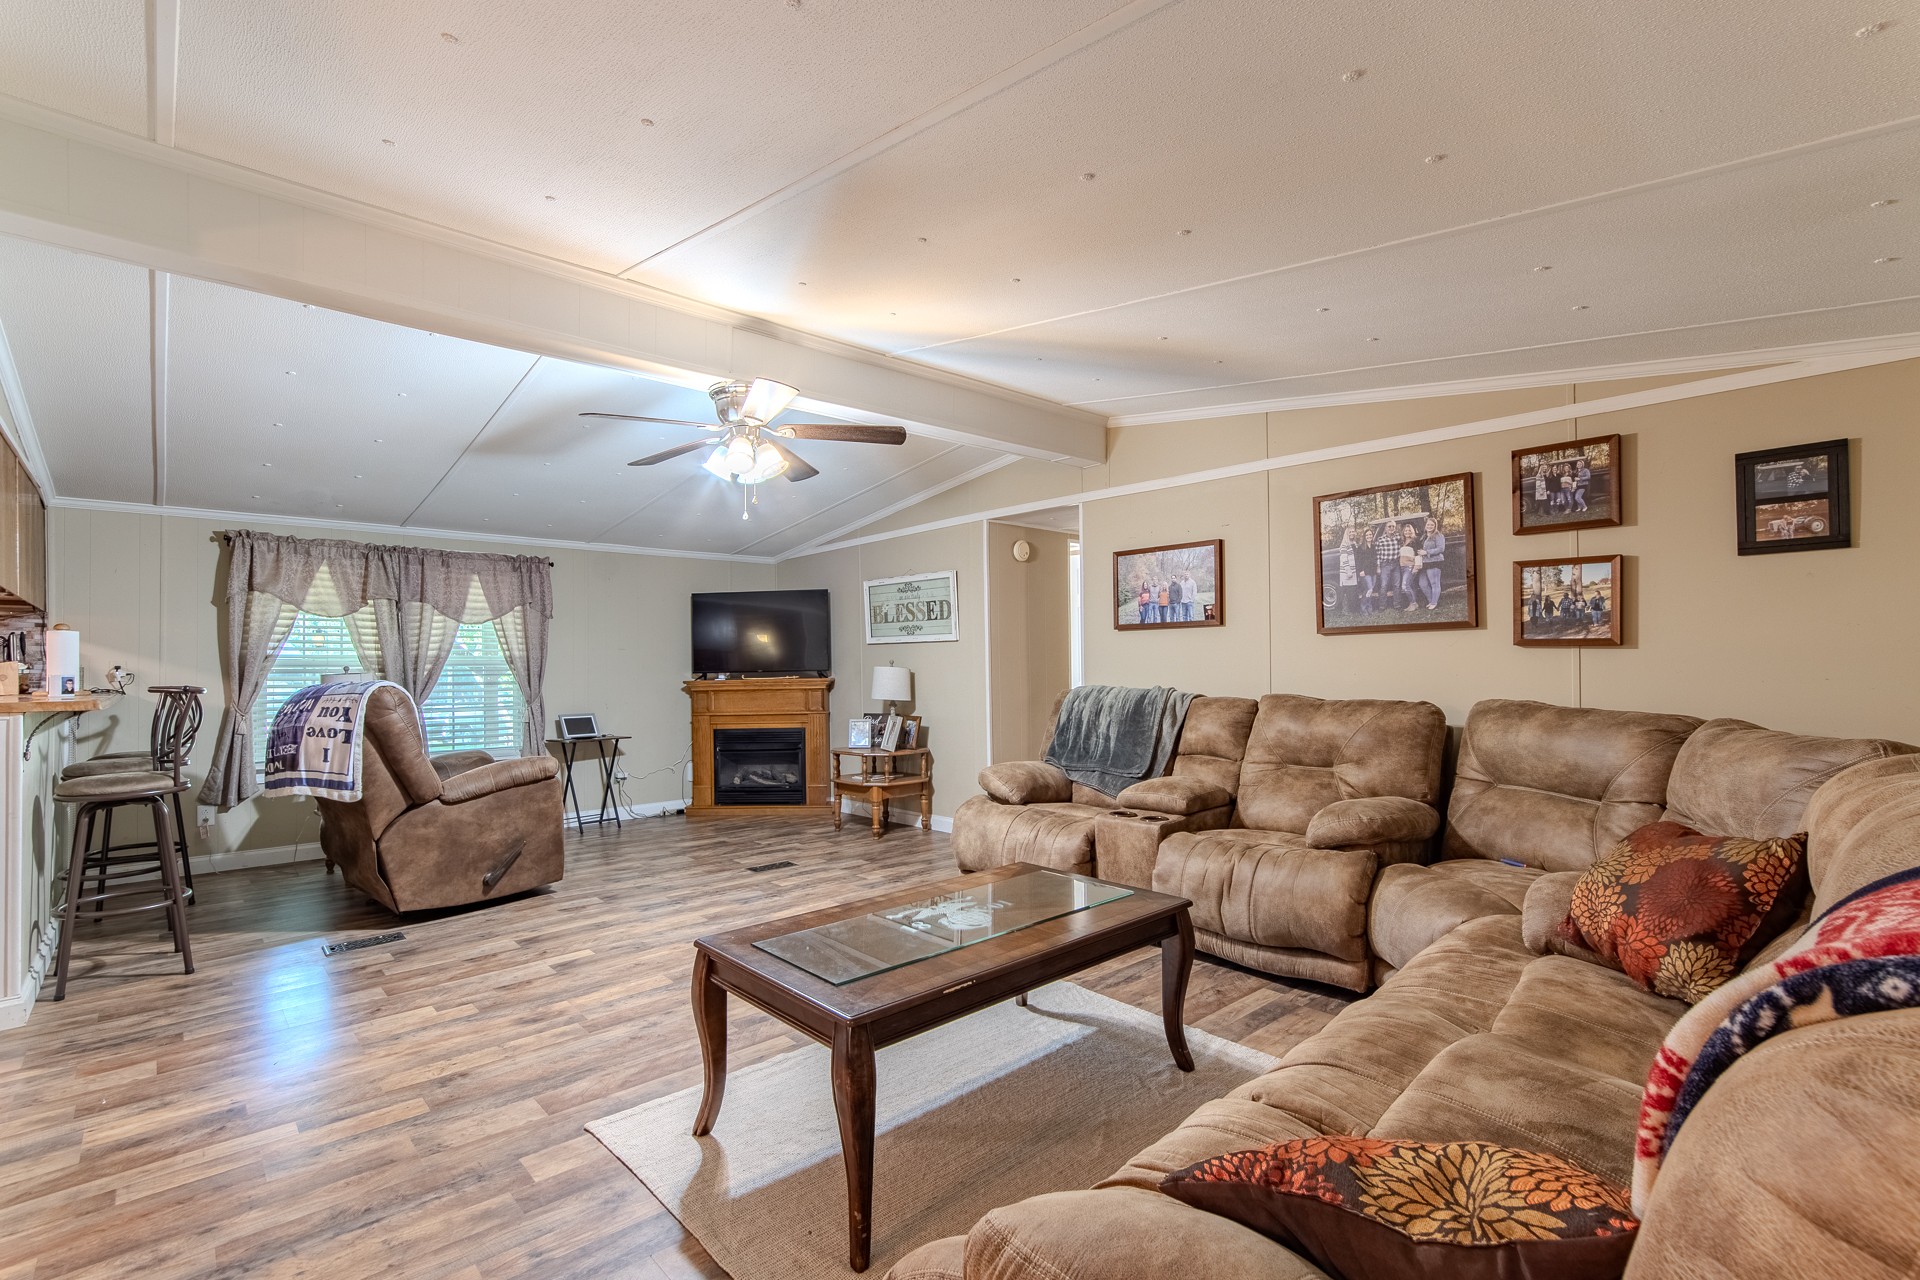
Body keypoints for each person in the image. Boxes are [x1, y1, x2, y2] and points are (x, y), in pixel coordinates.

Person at [1373, 519, 1402, 609]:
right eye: (1389, 526)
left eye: (1393, 526)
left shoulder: (1398, 538)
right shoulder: (1380, 539)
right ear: (1385, 528)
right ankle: (1382, 605)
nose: (1391, 528)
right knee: (1384, 585)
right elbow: (1377, 554)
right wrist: (1378, 567)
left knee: (1397, 585)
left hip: (1396, 564)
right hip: (1385, 564)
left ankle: (1397, 605)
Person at [1419, 516, 1445, 611]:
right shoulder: (1424, 536)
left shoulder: (1438, 535)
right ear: (1425, 525)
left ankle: (1434, 603)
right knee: (1422, 583)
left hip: (1435, 561)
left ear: (1435, 526)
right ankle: (1431, 600)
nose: (1429, 526)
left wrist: (1427, 552)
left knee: (1435, 583)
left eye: (1432, 525)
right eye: (1428, 524)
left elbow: (1441, 549)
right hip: (1425, 562)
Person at [1352, 527, 1378, 615]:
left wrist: (1377, 569)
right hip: (1365, 572)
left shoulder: (1374, 546)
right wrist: (1360, 572)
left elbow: (1375, 561)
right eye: (1367, 535)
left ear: (1372, 535)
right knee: (1368, 589)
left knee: (1370, 590)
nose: (1369, 536)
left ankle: (1369, 608)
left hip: (1373, 572)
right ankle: (1363, 609)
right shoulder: (1361, 548)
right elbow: (1358, 562)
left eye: (1370, 534)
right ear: (1364, 536)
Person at [1336, 527, 1360, 614]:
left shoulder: (1354, 543)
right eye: (1350, 532)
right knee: (1349, 592)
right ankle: (1348, 610)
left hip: (1354, 571)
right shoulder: (1344, 545)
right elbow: (1343, 558)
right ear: (1347, 534)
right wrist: (1348, 570)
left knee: (1353, 591)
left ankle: (1355, 609)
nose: (1352, 533)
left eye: (1353, 531)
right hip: (1348, 572)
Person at [1397, 525, 1420, 613]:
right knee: (1410, 586)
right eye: (1406, 530)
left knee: (1405, 586)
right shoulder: (1402, 541)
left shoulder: (1415, 541)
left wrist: (1416, 567)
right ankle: (1413, 604)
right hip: (1403, 567)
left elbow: (1418, 555)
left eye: (1409, 530)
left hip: (1411, 567)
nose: (1407, 532)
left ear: (1412, 531)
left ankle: (1413, 603)